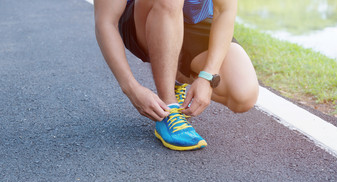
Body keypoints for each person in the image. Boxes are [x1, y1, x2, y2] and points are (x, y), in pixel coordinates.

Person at [94, 0, 259, 151]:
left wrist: (208, 76)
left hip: (193, 22)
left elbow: (224, 10)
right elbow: (106, 22)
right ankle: (169, 106)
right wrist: (132, 88)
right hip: (143, 18)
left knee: (242, 96)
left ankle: (177, 78)